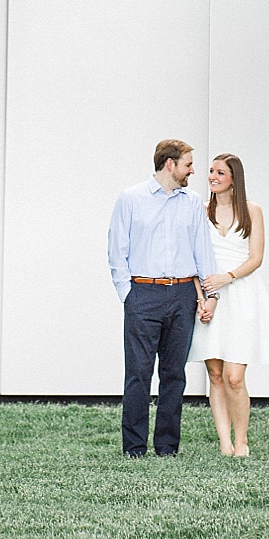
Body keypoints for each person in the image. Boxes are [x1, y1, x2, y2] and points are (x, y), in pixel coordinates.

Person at [106, 138, 219, 457]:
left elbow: (203, 251)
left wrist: (210, 295)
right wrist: (129, 294)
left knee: (174, 374)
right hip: (143, 294)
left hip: (183, 295)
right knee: (138, 373)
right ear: (170, 164)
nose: (193, 171)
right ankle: (134, 447)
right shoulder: (131, 198)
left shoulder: (193, 201)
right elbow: (117, 250)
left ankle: (168, 446)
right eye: (188, 164)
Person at [188, 152, 269, 456]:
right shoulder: (200, 211)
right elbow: (191, 259)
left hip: (241, 294)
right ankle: (225, 443)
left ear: (234, 179)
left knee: (234, 375)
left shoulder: (252, 211)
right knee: (214, 373)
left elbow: (256, 258)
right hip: (209, 298)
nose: (212, 177)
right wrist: (202, 297)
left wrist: (227, 278)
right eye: (211, 172)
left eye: (220, 173)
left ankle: (242, 439)